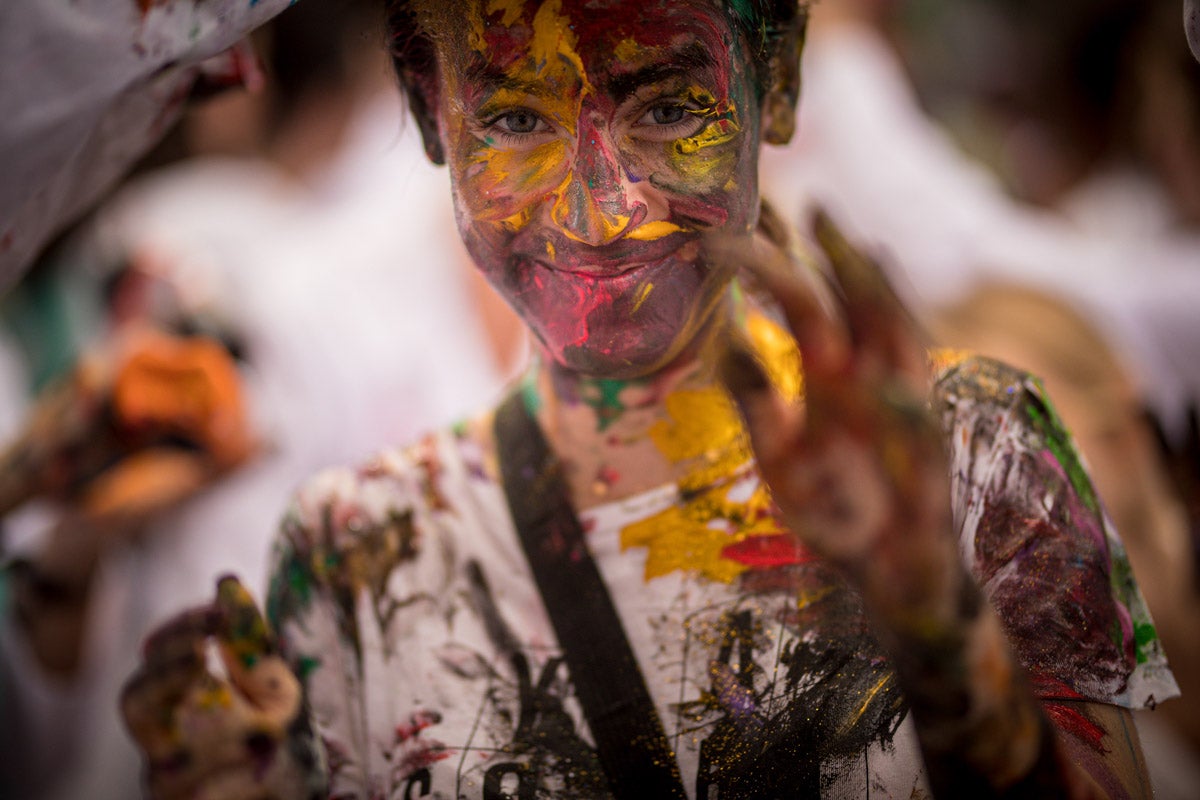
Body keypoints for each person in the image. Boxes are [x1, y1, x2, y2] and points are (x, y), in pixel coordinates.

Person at [120, 1, 1176, 798]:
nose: (603, 209)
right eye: (517, 115)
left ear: (780, 74)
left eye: (671, 108)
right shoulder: (361, 556)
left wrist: (949, 646)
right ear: (426, 106)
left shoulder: (971, 451)